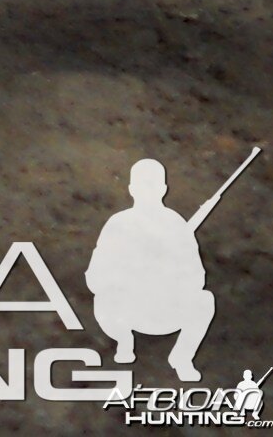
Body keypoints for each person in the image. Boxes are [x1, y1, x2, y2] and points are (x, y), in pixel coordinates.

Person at [86, 158, 218, 380]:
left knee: (205, 300)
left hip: (167, 310)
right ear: (131, 189)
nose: (147, 190)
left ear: (163, 189)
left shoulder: (177, 226)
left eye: (153, 185)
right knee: (102, 299)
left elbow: (197, 278)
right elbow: (95, 276)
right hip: (127, 311)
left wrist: (168, 274)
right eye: (142, 185)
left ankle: (182, 357)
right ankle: (124, 341)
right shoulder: (118, 224)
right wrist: (127, 276)